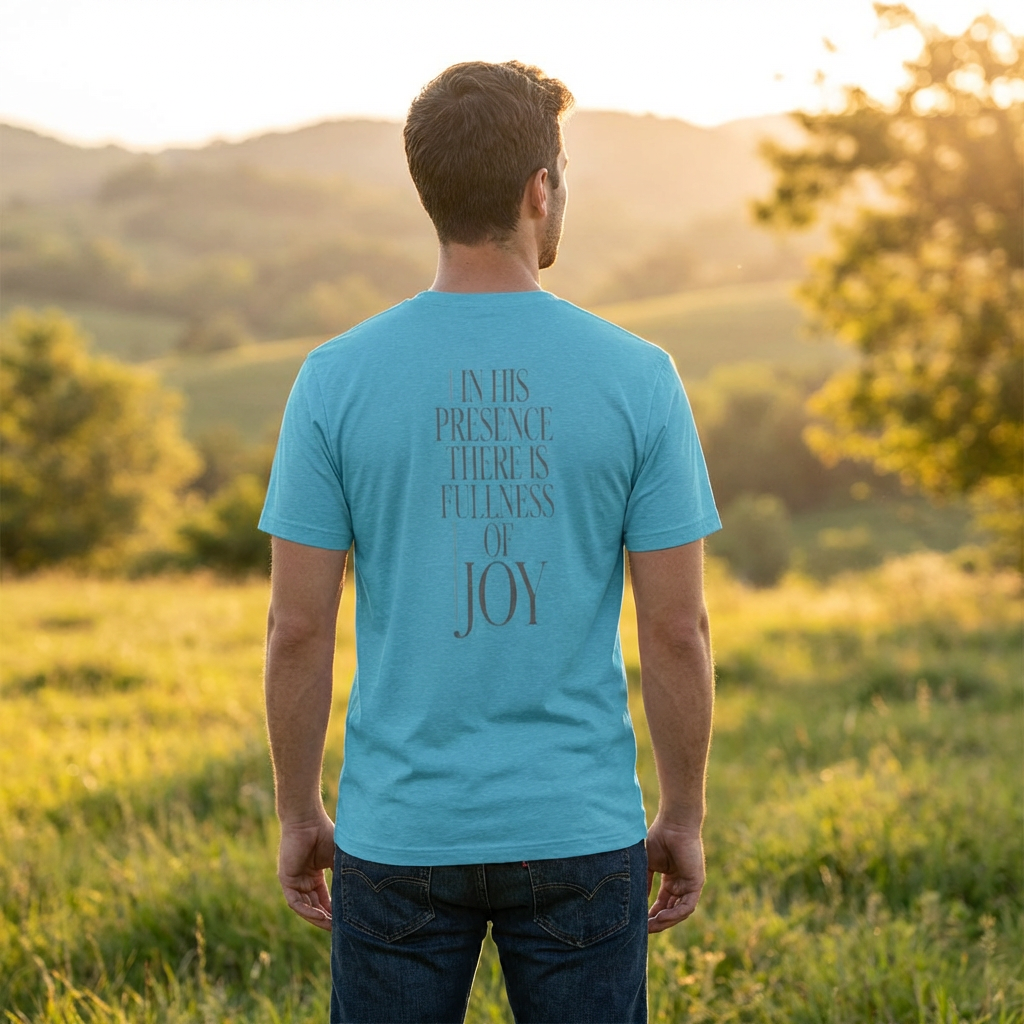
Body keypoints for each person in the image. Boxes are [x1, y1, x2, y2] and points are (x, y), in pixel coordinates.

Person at [259, 60, 720, 1024]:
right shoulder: (639, 377)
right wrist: (681, 815)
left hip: (396, 834)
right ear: (538, 191)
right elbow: (677, 631)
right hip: (581, 832)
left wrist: (301, 812)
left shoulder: (334, 378)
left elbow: (296, 629)